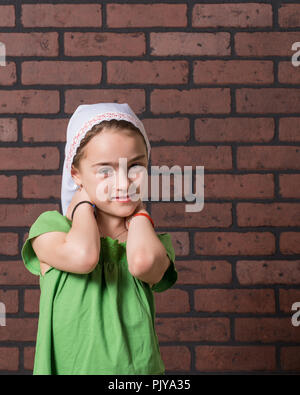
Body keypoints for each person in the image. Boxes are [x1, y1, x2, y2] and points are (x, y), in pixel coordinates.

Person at [21, 102, 178, 375]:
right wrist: (82, 205)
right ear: (76, 175)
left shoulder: (150, 241)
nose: (123, 183)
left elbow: (142, 263)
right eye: (105, 170)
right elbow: (84, 256)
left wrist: (139, 213)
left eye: (135, 167)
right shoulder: (51, 230)